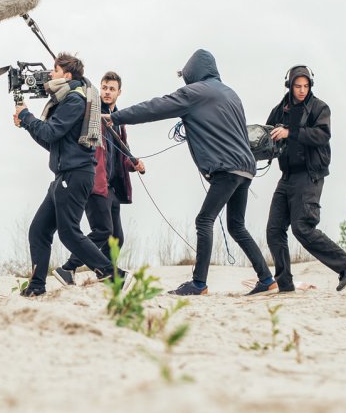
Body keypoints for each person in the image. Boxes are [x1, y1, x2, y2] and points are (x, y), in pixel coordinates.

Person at [105, 49, 276, 297]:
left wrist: (116, 117)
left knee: (203, 220)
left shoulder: (194, 92)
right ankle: (267, 278)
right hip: (246, 167)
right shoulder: (231, 94)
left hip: (227, 169)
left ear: (192, 73)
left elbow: (155, 107)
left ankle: (198, 284)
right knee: (236, 226)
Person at [14, 53, 118, 297]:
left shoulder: (74, 100)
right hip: (63, 175)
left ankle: (113, 274)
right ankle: (37, 285)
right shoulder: (67, 100)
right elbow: (51, 142)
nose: (51, 74)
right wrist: (25, 123)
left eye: (55, 70)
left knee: (69, 233)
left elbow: (50, 132)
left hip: (76, 174)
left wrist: (27, 116)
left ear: (67, 75)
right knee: (38, 231)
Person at [265, 65, 346, 292]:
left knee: (302, 227)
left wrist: (291, 132)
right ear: (289, 85)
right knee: (274, 230)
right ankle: (285, 285)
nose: (301, 90)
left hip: (309, 175)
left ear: (310, 86)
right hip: (286, 177)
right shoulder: (280, 110)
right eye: (297, 86)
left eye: (306, 86)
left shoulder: (320, 108)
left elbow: (322, 135)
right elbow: (267, 133)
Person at [53, 71, 145, 286]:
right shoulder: (93, 113)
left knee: (116, 238)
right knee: (103, 231)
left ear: (119, 93)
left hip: (112, 185)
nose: (107, 92)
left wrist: (134, 163)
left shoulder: (119, 120)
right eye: (104, 87)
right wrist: (104, 120)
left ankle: (102, 273)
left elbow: (122, 152)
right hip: (95, 181)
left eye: (111, 89)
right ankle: (71, 268)